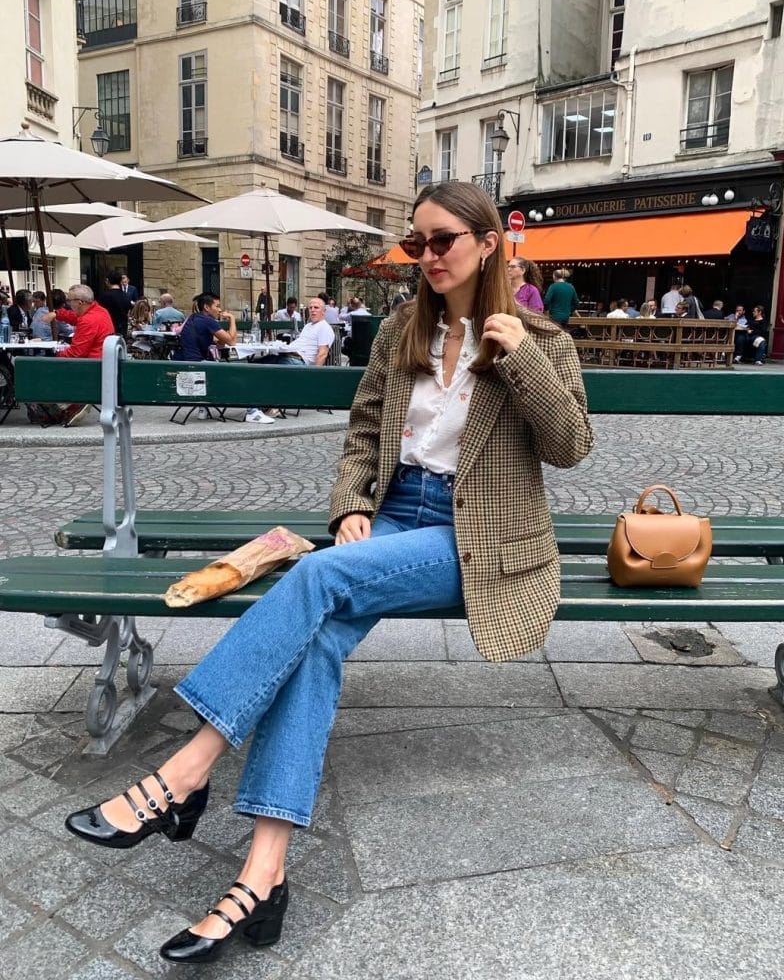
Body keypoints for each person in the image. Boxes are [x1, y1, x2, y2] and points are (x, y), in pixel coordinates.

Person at [63, 179, 594, 964]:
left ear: (487, 242)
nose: (427, 257)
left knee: (311, 582)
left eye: (442, 240)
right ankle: (263, 876)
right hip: (390, 521)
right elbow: (361, 436)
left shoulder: (540, 342)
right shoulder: (397, 333)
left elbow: (570, 444)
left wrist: (515, 354)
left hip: (470, 537)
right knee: (313, 642)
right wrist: (350, 503)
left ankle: (182, 773)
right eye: (417, 243)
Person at [174, 293, 274, 424]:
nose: (220, 309)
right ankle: (252, 412)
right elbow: (232, 342)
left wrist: (220, 340)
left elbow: (218, 342)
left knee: (230, 367)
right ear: (206, 307)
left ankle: (203, 409)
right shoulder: (207, 320)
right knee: (246, 371)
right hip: (199, 369)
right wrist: (232, 318)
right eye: (217, 306)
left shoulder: (193, 318)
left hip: (187, 368)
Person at [28, 284, 114, 427]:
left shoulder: (88, 321)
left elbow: (76, 353)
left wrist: (56, 354)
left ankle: (57, 410)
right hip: (100, 362)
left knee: (38, 370)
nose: (68, 303)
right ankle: (64, 407)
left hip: (89, 366)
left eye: (70, 300)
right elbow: (76, 318)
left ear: (80, 302)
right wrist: (57, 313)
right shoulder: (100, 311)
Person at [259, 296, 335, 365]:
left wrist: (313, 376)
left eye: (316, 307)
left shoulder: (324, 328)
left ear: (323, 311)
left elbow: (322, 354)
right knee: (256, 362)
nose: (312, 310)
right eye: (310, 308)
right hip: (288, 356)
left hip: (299, 362)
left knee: (258, 367)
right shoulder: (308, 326)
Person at [98, 272, 132, 338]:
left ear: (107, 281)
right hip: (122, 330)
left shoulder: (104, 296)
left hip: (108, 330)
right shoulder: (126, 296)